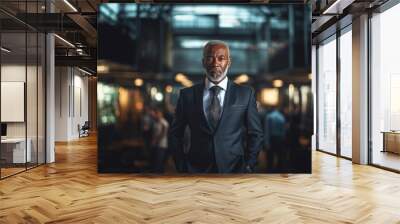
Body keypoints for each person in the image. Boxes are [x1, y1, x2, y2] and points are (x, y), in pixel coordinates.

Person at [168, 40, 264, 173]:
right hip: (196, 170)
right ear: (203, 62)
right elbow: (175, 134)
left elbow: (255, 134)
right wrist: (182, 166)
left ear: (228, 62)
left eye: (221, 58)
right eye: (210, 58)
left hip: (234, 170)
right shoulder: (187, 95)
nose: (215, 63)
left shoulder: (245, 94)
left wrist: (248, 166)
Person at [264, 106, 287, 172]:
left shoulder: (269, 116)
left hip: (272, 138)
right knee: (279, 156)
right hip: (280, 139)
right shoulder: (282, 117)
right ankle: (278, 171)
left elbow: (267, 130)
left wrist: (266, 142)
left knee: (270, 157)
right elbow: (283, 131)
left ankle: (269, 170)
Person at [150, 108, 169, 173]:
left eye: (157, 113)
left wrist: (156, 140)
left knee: (159, 162)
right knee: (155, 162)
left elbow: (164, 133)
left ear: (161, 114)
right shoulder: (156, 122)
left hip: (161, 145)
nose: (156, 115)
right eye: (156, 113)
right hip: (155, 144)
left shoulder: (164, 122)